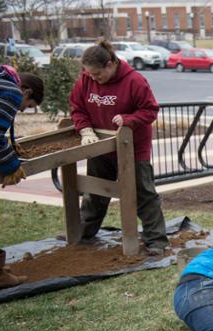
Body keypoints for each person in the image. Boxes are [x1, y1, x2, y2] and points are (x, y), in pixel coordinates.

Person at [69, 39, 168, 256]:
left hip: (132, 147)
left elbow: (150, 110)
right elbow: (77, 108)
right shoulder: (85, 81)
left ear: (110, 64)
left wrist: (129, 119)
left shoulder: (134, 81)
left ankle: (156, 241)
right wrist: (85, 130)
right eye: (90, 74)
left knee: (143, 193)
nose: (94, 78)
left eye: (98, 74)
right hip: (100, 145)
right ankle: (85, 232)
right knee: (95, 191)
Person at [0, 64, 44, 290]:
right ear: (26, 92)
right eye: (27, 107)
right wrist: (10, 166)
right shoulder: (11, 92)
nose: (20, 111)